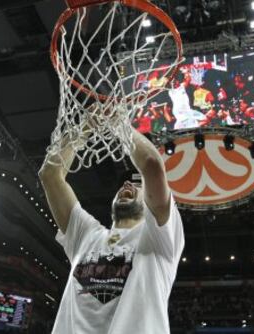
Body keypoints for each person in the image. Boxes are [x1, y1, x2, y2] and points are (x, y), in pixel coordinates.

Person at [38, 119, 185, 334]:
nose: (127, 184)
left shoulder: (161, 238)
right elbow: (50, 174)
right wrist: (87, 125)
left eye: (137, 184)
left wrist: (118, 122)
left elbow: (152, 164)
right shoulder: (86, 234)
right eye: (124, 184)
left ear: (150, 200)